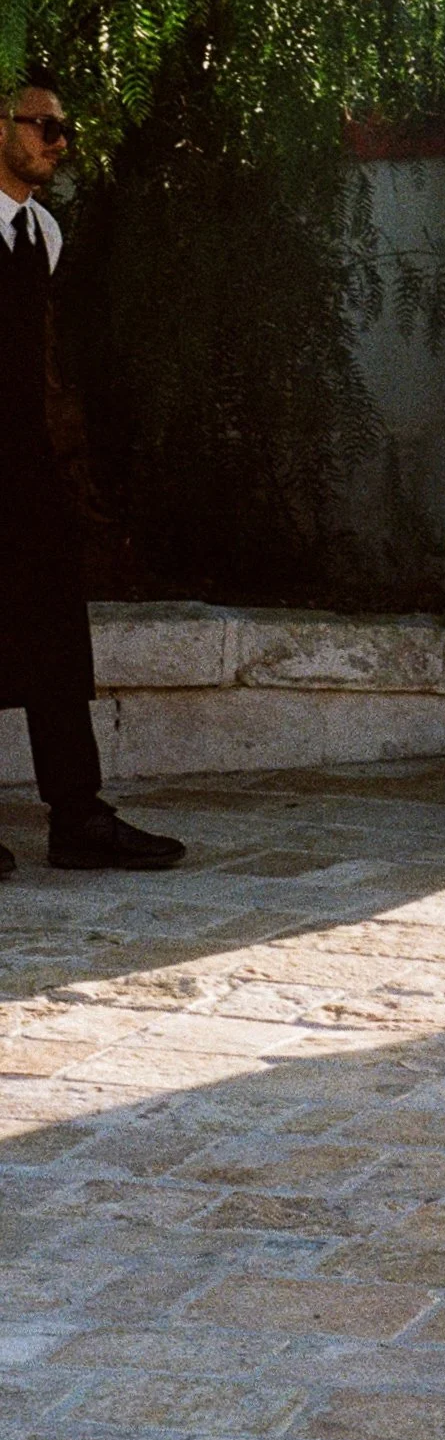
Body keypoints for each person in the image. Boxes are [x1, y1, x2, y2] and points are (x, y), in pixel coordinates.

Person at [0, 75, 184, 877]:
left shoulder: (45, 231)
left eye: (63, 130)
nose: (58, 142)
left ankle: (76, 815)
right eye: (43, 125)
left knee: (54, 632)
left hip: (25, 459)